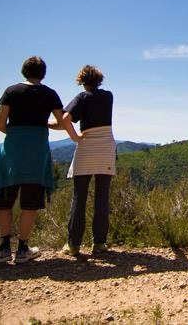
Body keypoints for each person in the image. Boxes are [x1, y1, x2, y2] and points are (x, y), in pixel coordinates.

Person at [0, 56, 81, 264]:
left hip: (12, 151)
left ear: (23, 71)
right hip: (37, 152)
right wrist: (44, 126)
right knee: (30, 201)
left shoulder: (11, 91)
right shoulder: (49, 94)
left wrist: (18, 131)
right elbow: (63, 121)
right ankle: (23, 249)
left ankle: (3, 248)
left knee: (5, 199)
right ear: (43, 73)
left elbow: (0, 125)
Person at [49, 65, 116, 257]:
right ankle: (100, 243)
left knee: (79, 197)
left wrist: (74, 137)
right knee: (102, 198)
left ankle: (74, 244)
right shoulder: (108, 96)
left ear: (81, 80)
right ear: (99, 79)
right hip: (106, 149)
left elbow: (65, 119)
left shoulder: (81, 98)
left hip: (86, 148)